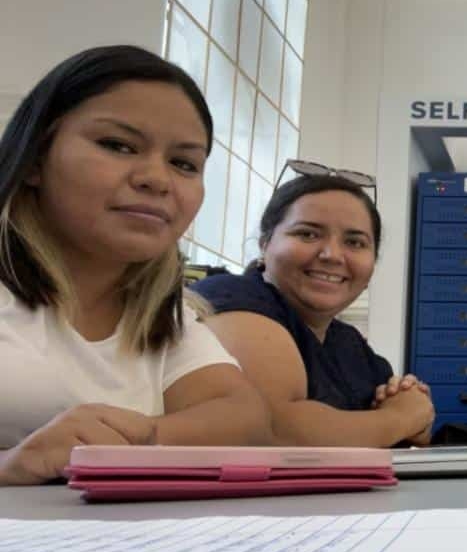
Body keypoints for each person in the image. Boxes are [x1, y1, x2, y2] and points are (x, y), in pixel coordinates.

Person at [0, 46, 271, 485]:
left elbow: (248, 421)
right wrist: (10, 466)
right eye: (117, 145)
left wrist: (137, 439)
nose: (156, 179)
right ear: (34, 159)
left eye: (184, 163)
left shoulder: (161, 316)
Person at [192, 169, 435, 447]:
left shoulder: (350, 346)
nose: (331, 255)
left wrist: (416, 422)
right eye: (307, 234)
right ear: (265, 243)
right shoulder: (230, 296)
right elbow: (273, 430)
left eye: (355, 242)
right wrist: (403, 418)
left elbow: (395, 438)